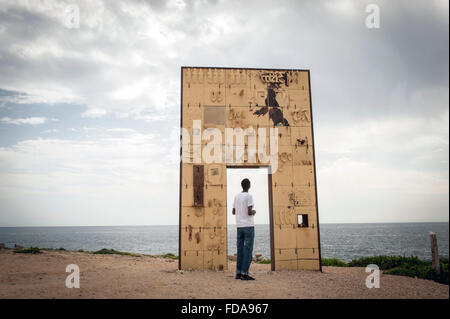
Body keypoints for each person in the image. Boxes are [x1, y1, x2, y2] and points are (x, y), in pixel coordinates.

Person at [232, 178, 256, 280]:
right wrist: (254, 211)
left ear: (242, 185)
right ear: (249, 186)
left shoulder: (236, 196)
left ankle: (238, 273)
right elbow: (249, 212)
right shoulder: (249, 196)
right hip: (248, 226)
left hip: (239, 226)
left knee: (240, 250)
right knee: (248, 250)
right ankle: (244, 274)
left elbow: (233, 211)